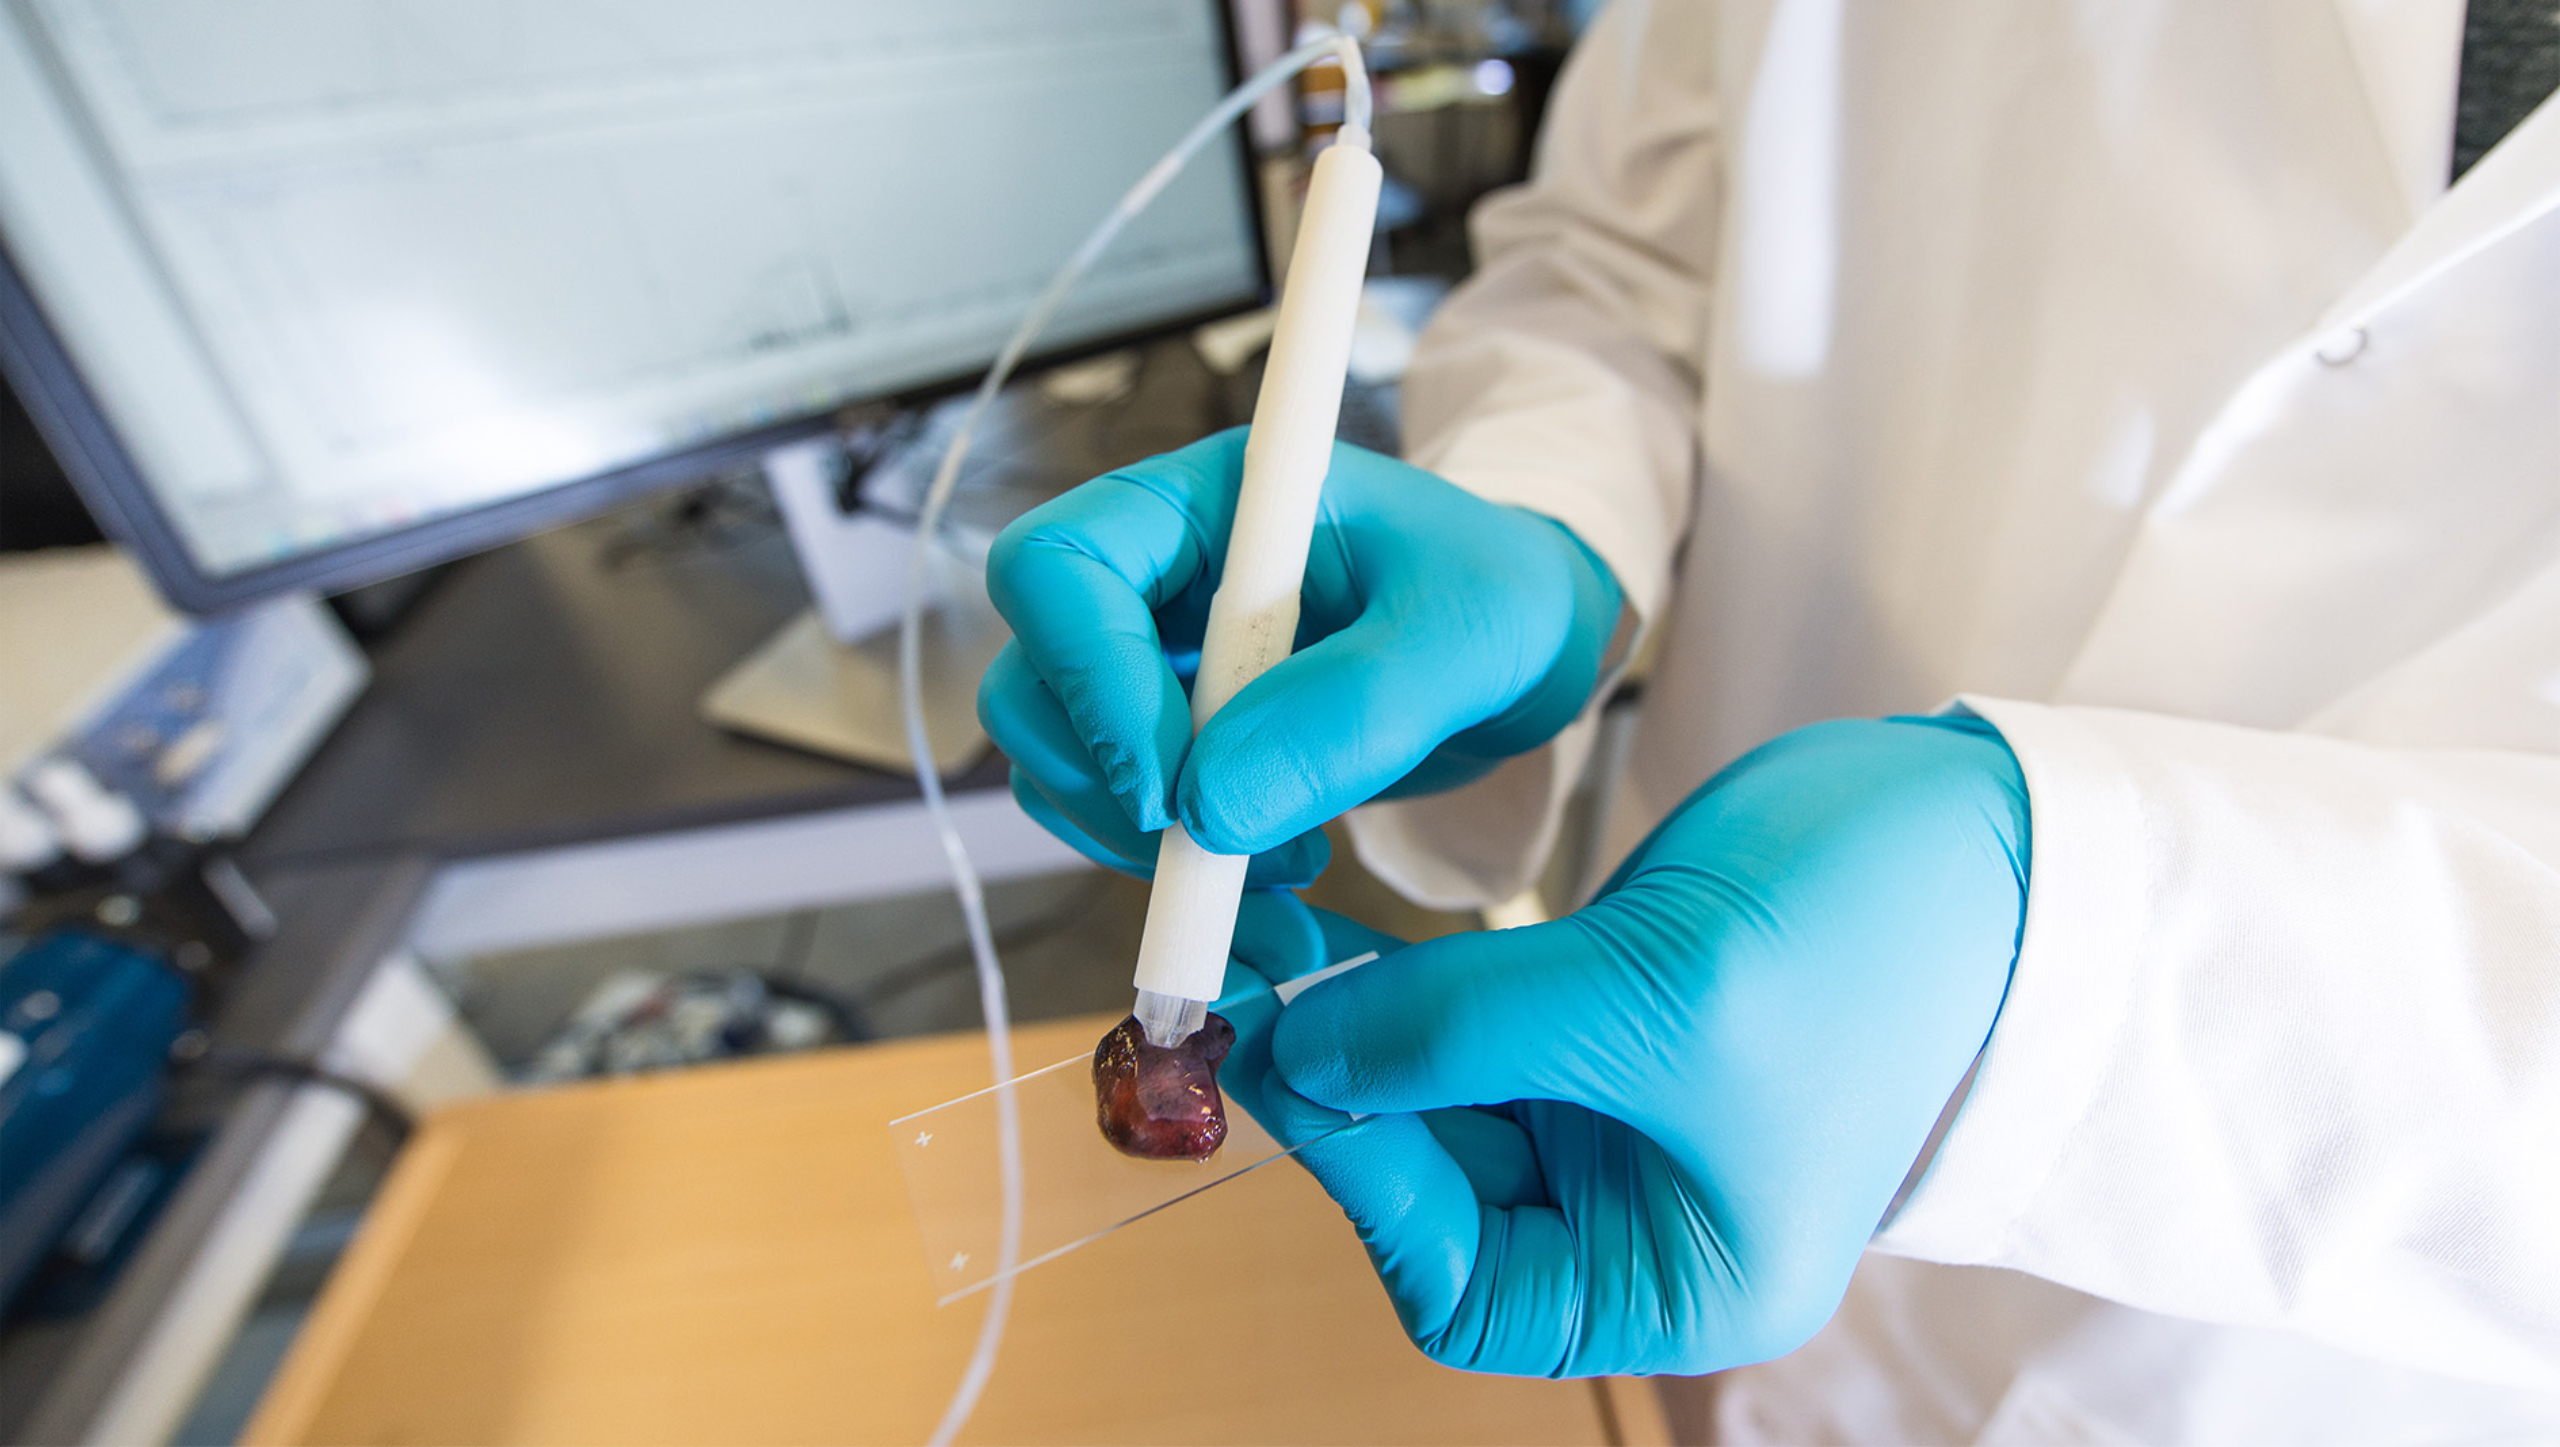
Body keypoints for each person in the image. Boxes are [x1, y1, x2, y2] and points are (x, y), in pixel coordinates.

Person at [978, 1, 2560, 1439]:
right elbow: (1623, 255)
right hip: (1674, 1199)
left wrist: (2072, 954)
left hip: (2354, 1363)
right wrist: (1549, 525)